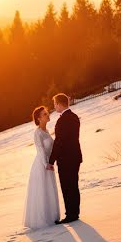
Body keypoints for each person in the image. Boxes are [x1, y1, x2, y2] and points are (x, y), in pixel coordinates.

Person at [23, 105, 60, 229]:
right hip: (41, 165)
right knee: (43, 190)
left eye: (47, 113)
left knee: (49, 190)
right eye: (45, 114)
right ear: (38, 118)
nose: (48, 115)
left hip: (48, 163)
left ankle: (51, 216)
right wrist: (46, 164)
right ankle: (43, 219)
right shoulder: (38, 133)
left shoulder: (46, 131)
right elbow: (40, 150)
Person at [49, 93, 82, 224]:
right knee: (74, 185)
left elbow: (59, 142)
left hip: (66, 159)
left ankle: (71, 215)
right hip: (75, 156)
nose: (54, 107)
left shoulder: (62, 120)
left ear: (58, 103)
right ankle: (75, 212)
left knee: (67, 186)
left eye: (55, 104)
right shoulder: (74, 117)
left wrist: (51, 160)